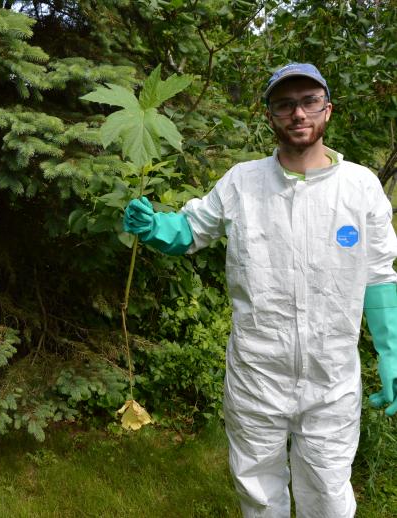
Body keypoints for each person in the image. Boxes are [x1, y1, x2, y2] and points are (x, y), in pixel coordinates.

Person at [123, 63, 397, 517]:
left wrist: (390, 352)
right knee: (259, 494)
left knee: (328, 495)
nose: (298, 113)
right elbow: (191, 229)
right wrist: (155, 227)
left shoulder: (361, 187)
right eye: (284, 104)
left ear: (328, 109)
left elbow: (380, 273)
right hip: (257, 373)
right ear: (269, 116)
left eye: (309, 101)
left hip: (331, 378)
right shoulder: (242, 182)